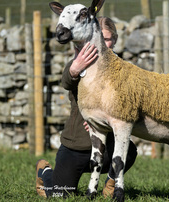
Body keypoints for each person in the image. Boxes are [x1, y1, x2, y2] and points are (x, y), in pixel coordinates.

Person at [36, 17, 137, 198]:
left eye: (107, 39)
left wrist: (102, 121)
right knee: (60, 195)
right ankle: (45, 172)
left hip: (106, 146)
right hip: (76, 146)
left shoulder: (123, 70)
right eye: (99, 37)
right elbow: (66, 81)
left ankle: (111, 182)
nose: (104, 43)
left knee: (129, 151)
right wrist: (75, 68)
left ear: (114, 39)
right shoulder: (81, 61)